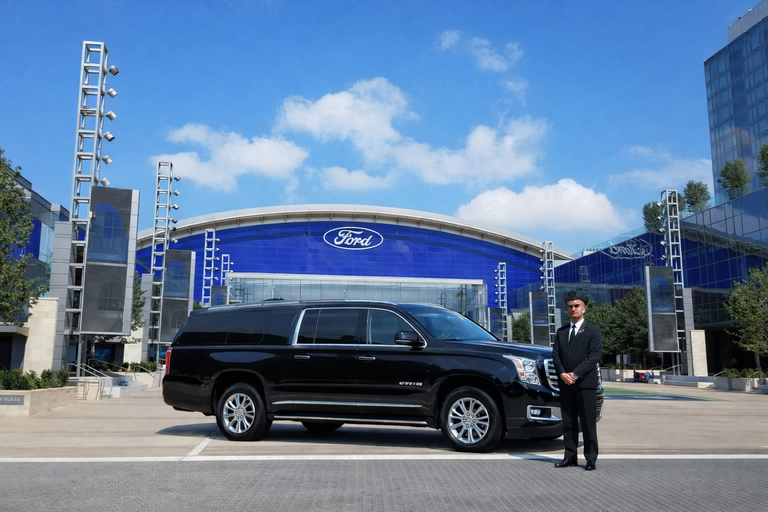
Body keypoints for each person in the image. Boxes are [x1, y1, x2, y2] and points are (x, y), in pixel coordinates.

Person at [552, 290, 603, 471]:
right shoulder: (561, 332)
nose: (573, 309)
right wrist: (562, 374)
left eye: (576, 306)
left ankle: (590, 458)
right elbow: (556, 355)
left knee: (588, 422)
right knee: (568, 421)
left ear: (584, 309)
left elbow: (593, 356)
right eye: (570, 307)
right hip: (566, 384)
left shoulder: (594, 331)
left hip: (585, 384)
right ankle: (569, 457)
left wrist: (574, 374)